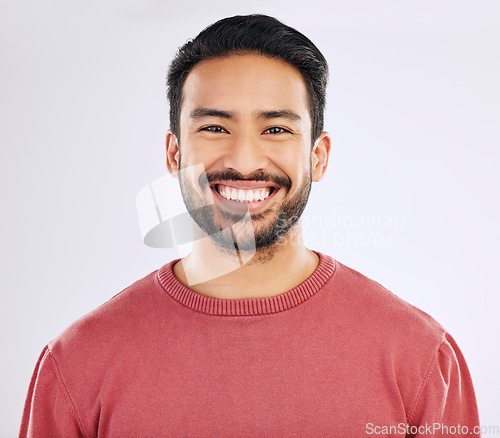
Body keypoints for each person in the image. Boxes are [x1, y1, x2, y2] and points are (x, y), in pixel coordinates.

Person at [20, 14, 480, 437]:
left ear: (317, 157)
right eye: (215, 128)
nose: (243, 162)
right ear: (174, 155)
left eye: (276, 129)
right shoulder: (77, 365)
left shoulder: (420, 358)